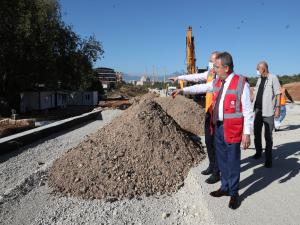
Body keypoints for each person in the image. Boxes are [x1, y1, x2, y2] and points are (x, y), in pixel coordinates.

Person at [174, 52, 252, 209]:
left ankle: (234, 193)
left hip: (233, 129)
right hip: (218, 128)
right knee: (222, 160)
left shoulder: (241, 83)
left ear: (226, 67)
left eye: (216, 67)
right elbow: (202, 86)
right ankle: (224, 187)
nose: (214, 70)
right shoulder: (217, 82)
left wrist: (247, 133)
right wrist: (183, 91)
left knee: (233, 162)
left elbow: (248, 111)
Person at [169, 51, 221, 184]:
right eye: (210, 60)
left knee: (216, 143)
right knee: (208, 141)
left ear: (218, 62)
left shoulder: (220, 77)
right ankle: (212, 165)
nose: (210, 63)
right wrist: (179, 78)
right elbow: (196, 77)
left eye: (212, 60)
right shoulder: (210, 73)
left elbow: (202, 87)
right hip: (209, 110)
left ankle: (217, 171)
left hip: (218, 113)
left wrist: (183, 90)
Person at [251, 61, 281, 168]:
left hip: (268, 111)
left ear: (263, 68)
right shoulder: (259, 79)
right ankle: (258, 153)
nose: (257, 70)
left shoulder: (273, 78)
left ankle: (268, 159)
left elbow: (278, 94)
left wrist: (277, 108)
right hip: (258, 111)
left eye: (257, 68)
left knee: (268, 136)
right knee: (257, 133)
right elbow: (255, 92)